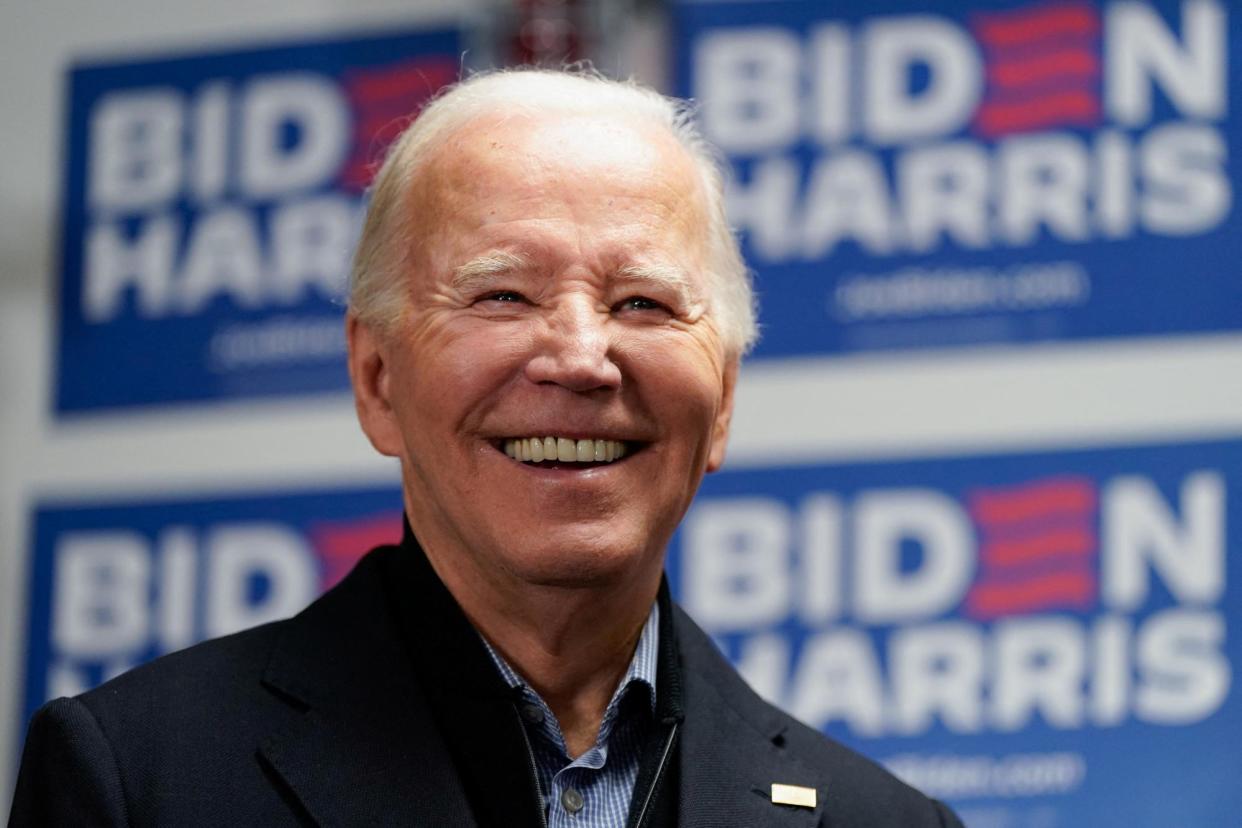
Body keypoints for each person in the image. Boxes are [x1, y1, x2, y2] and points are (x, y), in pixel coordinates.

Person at [10, 68, 962, 827]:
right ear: (377, 378)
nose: (583, 359)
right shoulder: (139, 780)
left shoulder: (884, 820)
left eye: (643, 303)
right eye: (502, 295)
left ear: (721, 406)